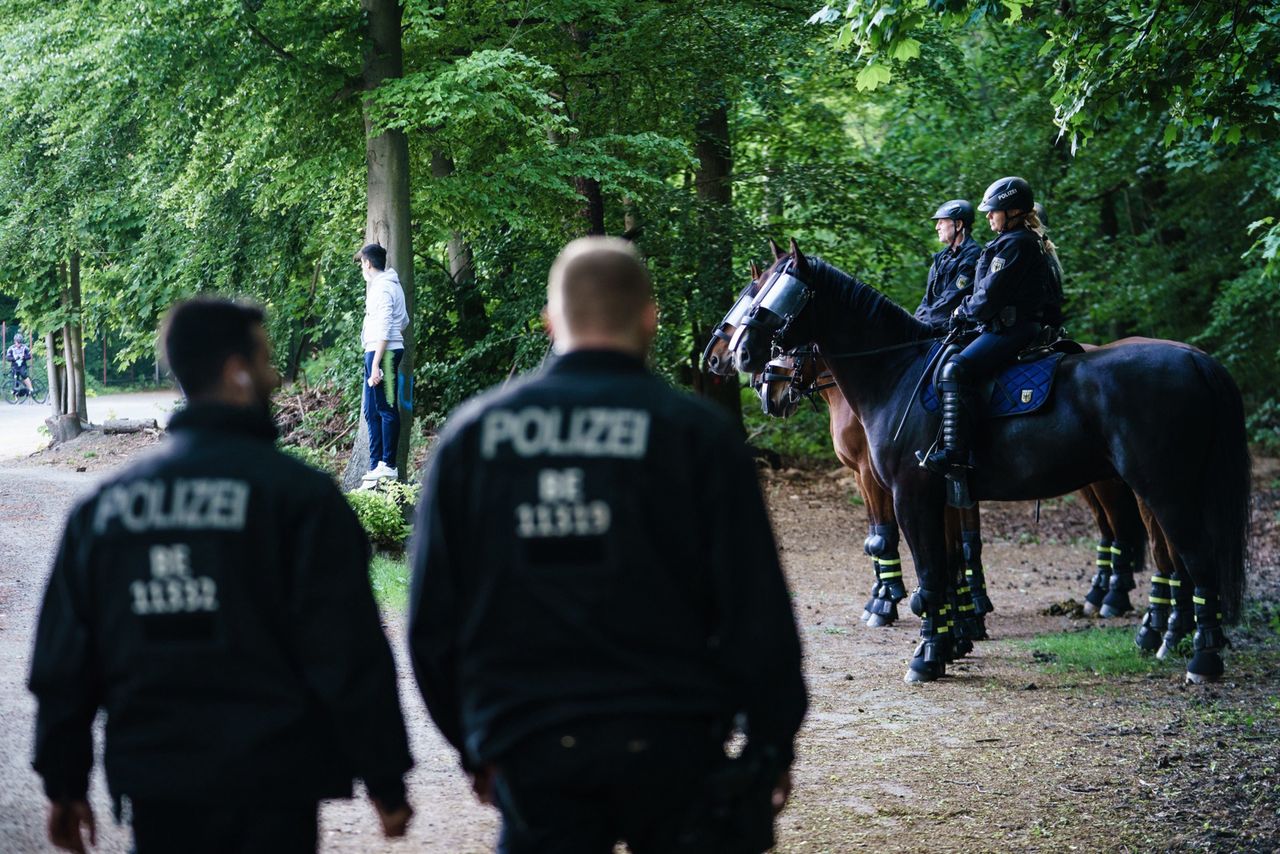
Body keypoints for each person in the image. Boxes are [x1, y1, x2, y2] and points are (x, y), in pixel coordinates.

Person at [408, 237, 808, 853]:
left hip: (533, 747)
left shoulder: (472, 439)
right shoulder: (699, 436)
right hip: (675, 743)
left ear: (549, 321)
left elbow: (432, 624)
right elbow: (757, 609)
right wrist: (770, 743)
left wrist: (476, 745)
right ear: (650, 316)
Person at [28, 297, 414, 854]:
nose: (276, 375)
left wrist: (64, 785)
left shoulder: (106, 510)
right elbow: (348, 650)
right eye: (265, 360)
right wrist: (385, 778)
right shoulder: (300, 499)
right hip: (274, 788)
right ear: (237, 372)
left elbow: (64, 661)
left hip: (158, 784)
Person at [919, 177, 1064, 507]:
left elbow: (988, 296)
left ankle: (955, 454)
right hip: (998, 328)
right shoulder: (1010, 241)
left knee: (956, 369)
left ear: (1012, 212)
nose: (987, 217)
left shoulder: (1016, 244)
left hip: (1011, 330)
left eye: (993, 211)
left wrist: (962, 311)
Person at [356, 242, 410, 486]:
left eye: (361, 264)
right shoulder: (386, 285)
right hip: (377, 352)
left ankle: (388, 465)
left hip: (383, 355)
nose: (361, 268)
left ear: (368, 263)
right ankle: (376, 463)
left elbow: (388, 325)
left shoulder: (383, 288)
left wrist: (377, 362)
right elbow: (404, 321)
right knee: (370, 410)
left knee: (386, 409)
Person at [914, 199, 981, 332]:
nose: (937, 227)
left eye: (941, 222)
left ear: (958, 224)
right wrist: (914, 320)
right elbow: (927, 299)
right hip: (932, 324)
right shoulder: (941, 258)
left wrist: (921, 325)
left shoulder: (973, 257)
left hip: (954, 330)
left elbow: (951, 300)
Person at [6, 330, 34, 395]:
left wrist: (24, 357)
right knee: (15, 380)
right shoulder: (11, 348)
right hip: (14, 366)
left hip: (22, 365)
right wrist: (14, 358)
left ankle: (31, 389)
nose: (18, 344)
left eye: (20, 342)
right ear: (14, 341)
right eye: (17, 342)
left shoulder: (25, 347)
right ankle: (16, 397)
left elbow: (29, 356)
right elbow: (8, 358)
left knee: (23, 374)